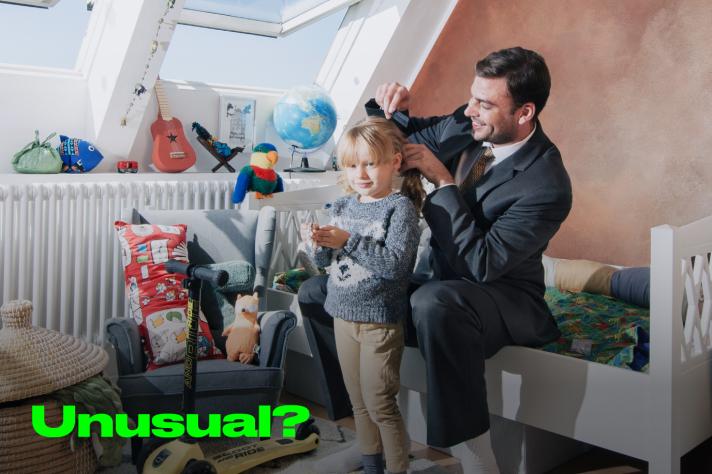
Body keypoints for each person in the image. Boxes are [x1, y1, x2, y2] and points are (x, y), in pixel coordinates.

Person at [299, 46, 572, 473]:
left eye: (485, 103)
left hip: (500, 298)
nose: (469, 109)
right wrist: (393, 110)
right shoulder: (473, 123)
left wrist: (442, 182)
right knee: (319, 291)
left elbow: (483, 265)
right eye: (472, 96)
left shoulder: (546, 183)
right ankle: (365, 432)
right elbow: (402, 144)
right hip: (438, 283)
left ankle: (476, 454)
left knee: (435, 303)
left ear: (524, 112)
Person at [302, 116, 424, 474]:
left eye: (371, 163)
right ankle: (371, 466)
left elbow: (395, 266)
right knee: (358, 403)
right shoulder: (342, 206)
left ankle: (397, 468)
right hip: (342, 316)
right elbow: (325, 262)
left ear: (394, 162)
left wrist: (347, 240)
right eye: (353, 165)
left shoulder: (399, 209)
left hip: (379, 322)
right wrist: (316, 243)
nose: (362, 174)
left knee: (380, 403)